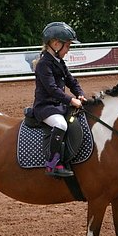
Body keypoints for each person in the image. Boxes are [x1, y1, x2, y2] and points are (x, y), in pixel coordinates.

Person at [32, 22, 86, 178]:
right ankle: (53, 163)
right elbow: (52, 89)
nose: (68, 51)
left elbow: (71, 81)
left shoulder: (59, 62)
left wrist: (80, 93)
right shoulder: (43, 64)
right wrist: (71, 100)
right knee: (61, 124)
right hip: (45, 107)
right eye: (67, 46)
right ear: (56, 44)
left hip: (58, 105)